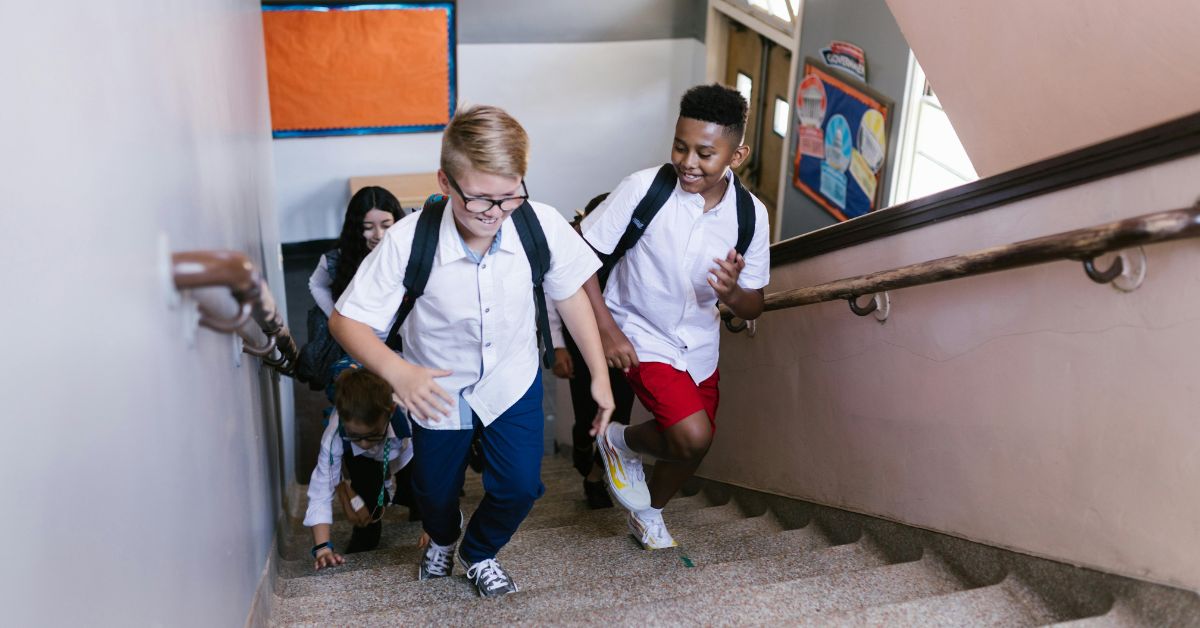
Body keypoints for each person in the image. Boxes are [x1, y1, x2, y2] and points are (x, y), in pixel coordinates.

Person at [329, 104, 614, 597]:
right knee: (433, 492)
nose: (494, 213)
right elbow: (345, 320)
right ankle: (442, 537)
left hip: (511, 378)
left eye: (509, 196)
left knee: (520, 487)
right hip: (436, 387)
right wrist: (398, 372)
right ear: (445, 182)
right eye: (480, 199)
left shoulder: (540, 224)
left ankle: (478, 551)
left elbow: (570, 294)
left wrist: (599, 375)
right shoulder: (407, 241)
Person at [583, 83, 771, 549]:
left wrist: (732, 292)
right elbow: (580, 258)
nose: (688, 162)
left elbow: (755, 303)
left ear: (737, 155)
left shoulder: (750, 215)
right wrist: (606, 330)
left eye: (705, 153)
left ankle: (647, 510)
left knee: (695, 446)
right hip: (640, 332)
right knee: (691, 433)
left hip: (699, 344)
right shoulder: (643, 188)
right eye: (680, 146)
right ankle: (618, 442)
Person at [547, 199, 637, 509]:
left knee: (620, 413)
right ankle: (583, 446)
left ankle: (596, 477)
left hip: (626, 342)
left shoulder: (634, 249)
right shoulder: (576, 248)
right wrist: (557, 345)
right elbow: (553, 296)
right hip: (581, 341)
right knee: (587, 411)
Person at [305, 368, 414, 570]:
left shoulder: (410, 417)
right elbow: (321, 491)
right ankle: (363, 546)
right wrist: (322, 548)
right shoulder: (335, 436)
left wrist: (435, 530)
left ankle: (419, 516)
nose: (364, 443)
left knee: (416, 490)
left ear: (390, 412)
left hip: (407, 453)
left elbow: (431, 469)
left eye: (372, 434)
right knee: (367, 502)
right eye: (356, 435)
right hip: (360, 460)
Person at [309, 185, 405, 325]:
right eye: (368, 227)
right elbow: (316, 284)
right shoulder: (336, 259)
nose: (379, 235)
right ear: (355, 228)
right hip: (355, 333)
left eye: (386, 226)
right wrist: (336, 318)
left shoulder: (407, 253)